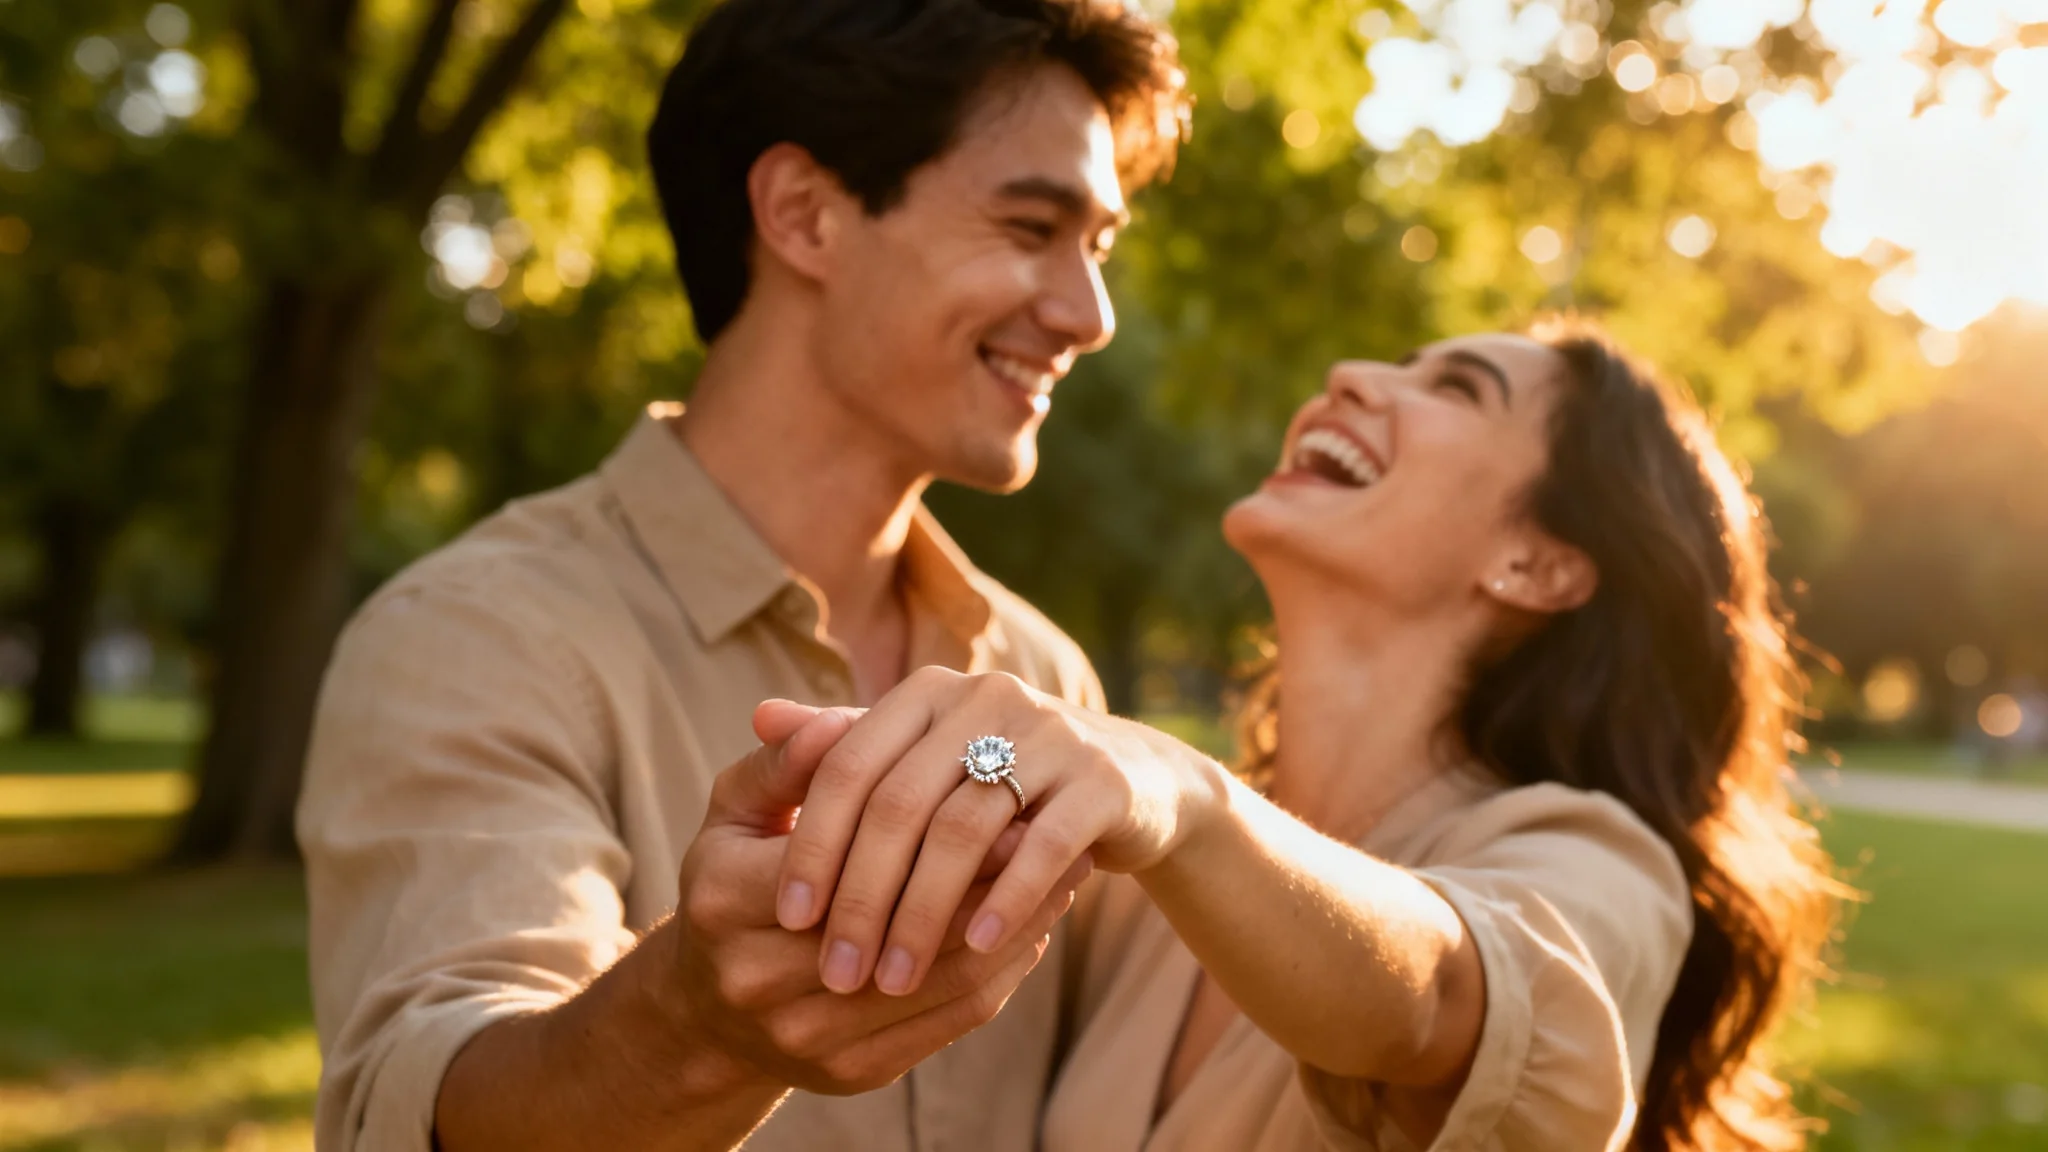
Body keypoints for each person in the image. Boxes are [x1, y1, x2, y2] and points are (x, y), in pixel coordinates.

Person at [294, 2, 1187, 1149]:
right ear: (804, 214)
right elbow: (434, 1098)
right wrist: (695, 1025)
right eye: (1028, 226)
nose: (1089, 314)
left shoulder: (1040, 675)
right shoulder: (471, 636)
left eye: (1098, 246)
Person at [762, 320, 1844, 1150]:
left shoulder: (1596, 864)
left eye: (1456, 389)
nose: (1353, 378)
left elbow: (1430, 1005)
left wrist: (1175, 793)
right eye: (1400, 362)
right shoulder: (1132, 892)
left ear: (1537, 565)